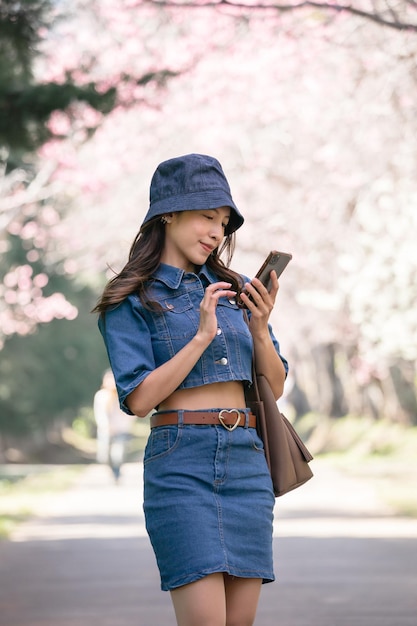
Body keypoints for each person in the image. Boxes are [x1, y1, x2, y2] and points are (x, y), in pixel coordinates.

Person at [93, 154, 288, 626]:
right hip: (181, 463)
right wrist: (201, 336)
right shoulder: (132, 297)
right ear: (168, 215)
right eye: (206, 216)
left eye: (223, 222)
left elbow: (275, 387)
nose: (216, 232)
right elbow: (138, 400)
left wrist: (260, 329)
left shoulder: (236, 289)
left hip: (246, 460)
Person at [93, 369, 135, 482]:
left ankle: (117, 472)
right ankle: (112, 470)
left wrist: (125, 426)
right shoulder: (101, 396)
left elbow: (129, 414)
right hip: (106, 431)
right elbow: (99, 413)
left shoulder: (122, 396)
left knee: (118, 454)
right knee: (104, 456)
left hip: (121, 430)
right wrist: (106, 426)